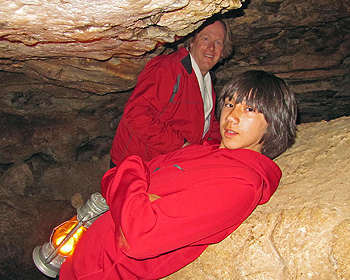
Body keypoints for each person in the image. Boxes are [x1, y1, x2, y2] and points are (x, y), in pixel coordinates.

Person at [60, 70, 297, 280]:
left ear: (274, 123)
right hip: (79, 260)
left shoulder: (241, 184)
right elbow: (109, 179)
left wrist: (131, 169)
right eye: (229, 104)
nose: (231, 117)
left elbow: (139, 236)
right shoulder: (201, 151)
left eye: (249, 109)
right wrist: (137, 195)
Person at [110, 18, 233, 167]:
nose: (211, 48)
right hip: (137, 167)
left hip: (169, 164)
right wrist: (182, 146)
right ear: (192, 41)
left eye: (218, 42)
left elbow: (206, 123)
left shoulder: (205, 79)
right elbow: (136, 114)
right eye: (206, 39)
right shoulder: (168, 68)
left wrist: (229, 141)